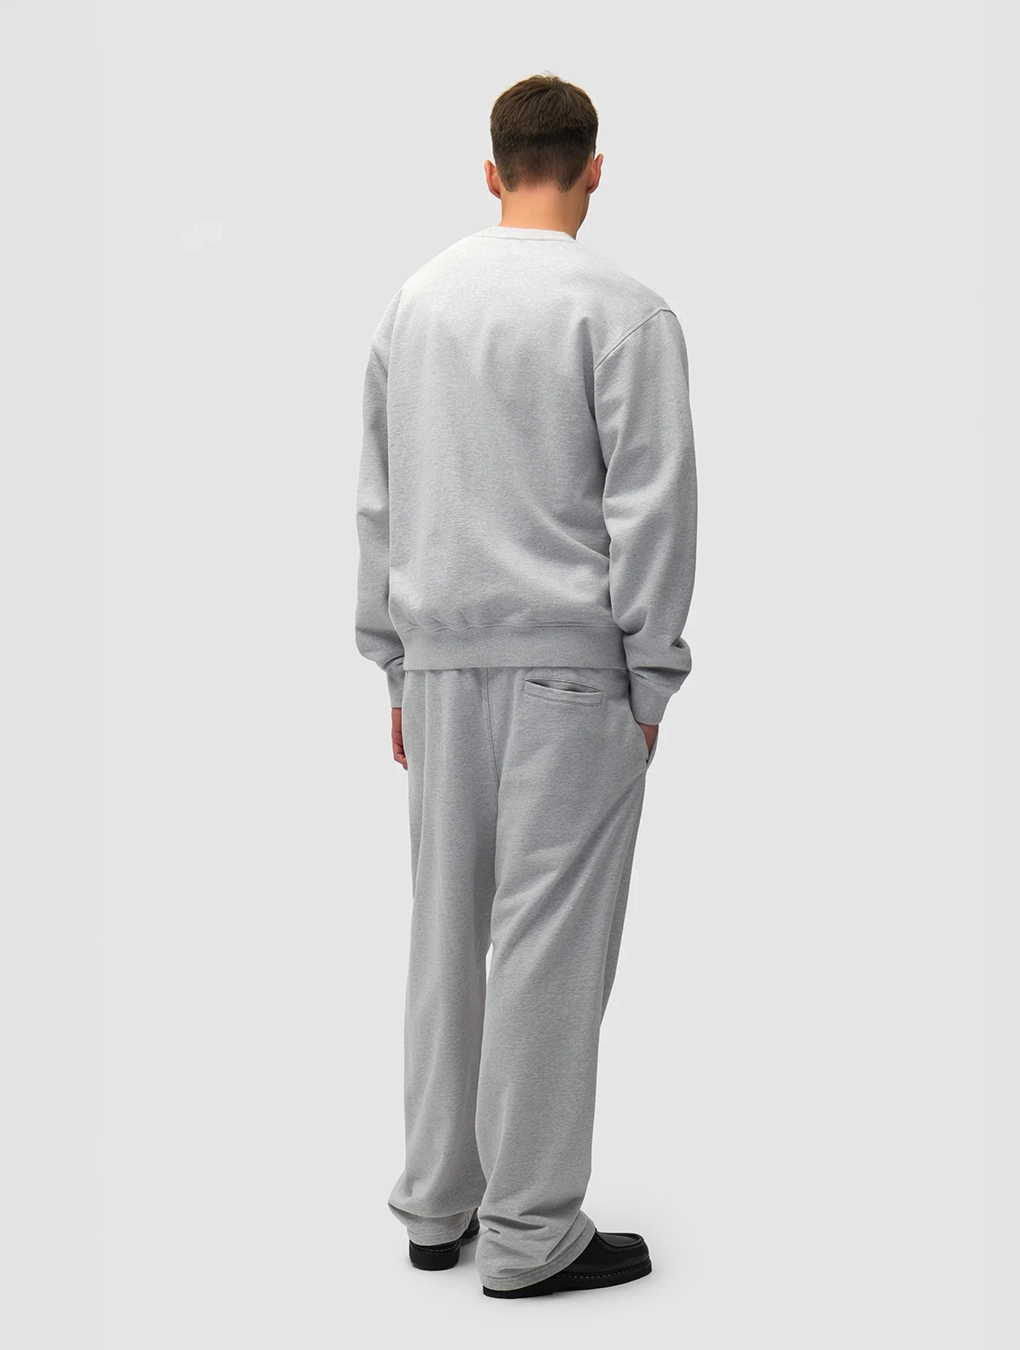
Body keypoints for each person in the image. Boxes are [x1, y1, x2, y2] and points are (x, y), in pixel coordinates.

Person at [354, 72, 698, 1299]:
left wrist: (395, 663)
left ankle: (435, 1205)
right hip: (570, 671)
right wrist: (648, 677)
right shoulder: (624, 311)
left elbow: (381, 500)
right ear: (594, 169)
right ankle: (531, 1232)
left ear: (492, 171)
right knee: (548, 950)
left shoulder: (416, 305)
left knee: (445, 935)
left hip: (442, 668)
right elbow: (652, 508)